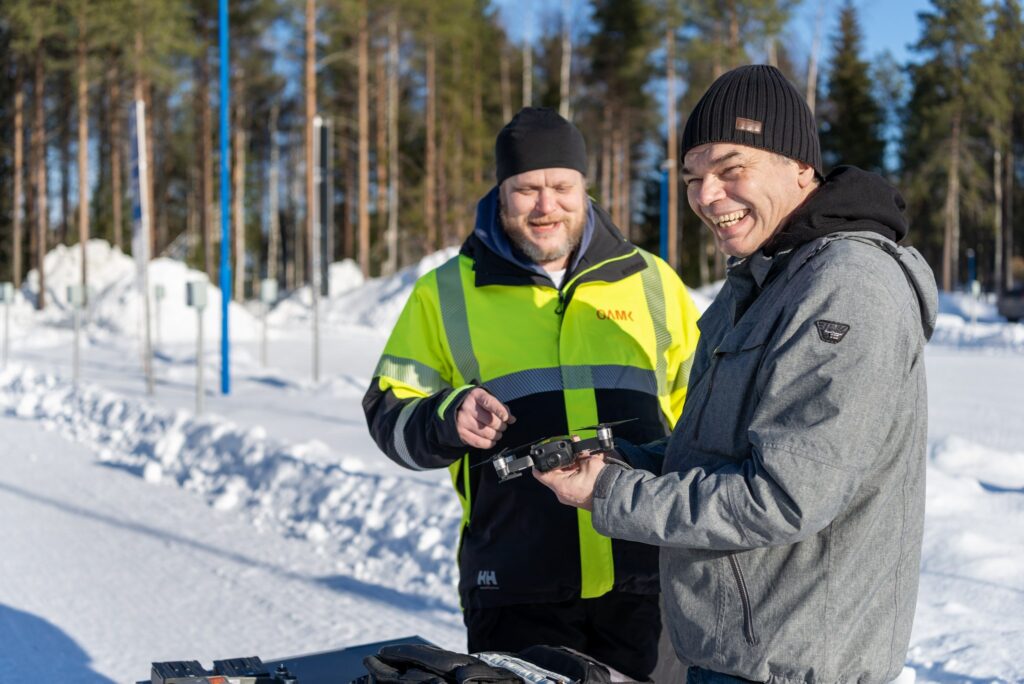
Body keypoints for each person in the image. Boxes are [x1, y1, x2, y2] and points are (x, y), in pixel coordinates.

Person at [535, 64, 938, 684]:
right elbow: (721, 450)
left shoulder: (845, 289)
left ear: (801, 167)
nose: (707, 196)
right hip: (734, 647)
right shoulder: (760, 280)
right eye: (695, 178)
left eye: (731, 169)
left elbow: (782, 495)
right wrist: (622, 460)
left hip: (792, 663)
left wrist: (609, 495)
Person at [363, 107, 701, 681]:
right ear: (501, 192)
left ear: (585, 187)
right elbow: (388, 414)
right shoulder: (445, 292)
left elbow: (701, 419)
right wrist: (446, 417)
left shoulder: (652, 282)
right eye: (527, 189)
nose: (547, 206)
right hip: (516, 590)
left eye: (562, 186)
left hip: (647, 584)